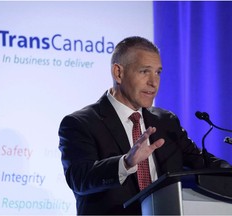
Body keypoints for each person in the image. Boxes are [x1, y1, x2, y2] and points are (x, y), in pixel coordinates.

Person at [58, 36, 230, 215]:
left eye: (158, 72)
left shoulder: (166, 121)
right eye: (144, 71)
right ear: (118, 73)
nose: (154, 83)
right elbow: (79, 179)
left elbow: (200, 161)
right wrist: (126, 162)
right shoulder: (80, 123)